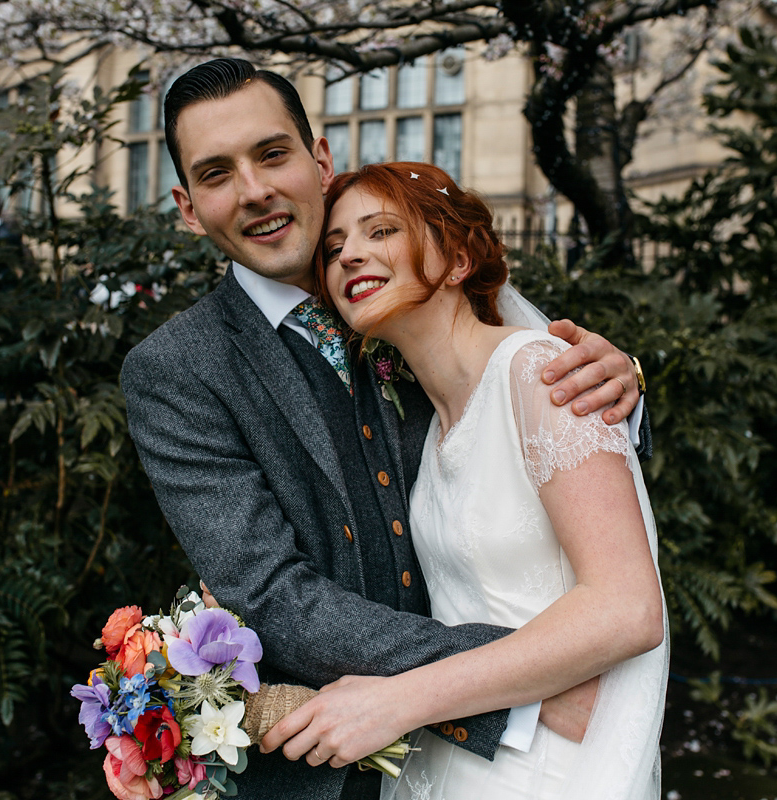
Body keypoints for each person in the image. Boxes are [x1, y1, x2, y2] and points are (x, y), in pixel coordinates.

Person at [121, 58, 650, 800]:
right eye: (216, 173)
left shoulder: (411, 294)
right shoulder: (175, 371)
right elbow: (273, 594)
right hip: (319, 766)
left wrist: (614, 388)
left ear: (320, 159)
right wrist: (519, 679)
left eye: (273, 154)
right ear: (186, 205)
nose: (255, 191)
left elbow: (520, 406)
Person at [262, 161, 669, 799]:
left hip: (548, 770)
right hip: (454, 761)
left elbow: (629, 610)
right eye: (335, 247)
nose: (349, 256)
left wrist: (400, 701)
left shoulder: (539, 373)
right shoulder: (425, 421)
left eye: (381, 231)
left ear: (455, 261)